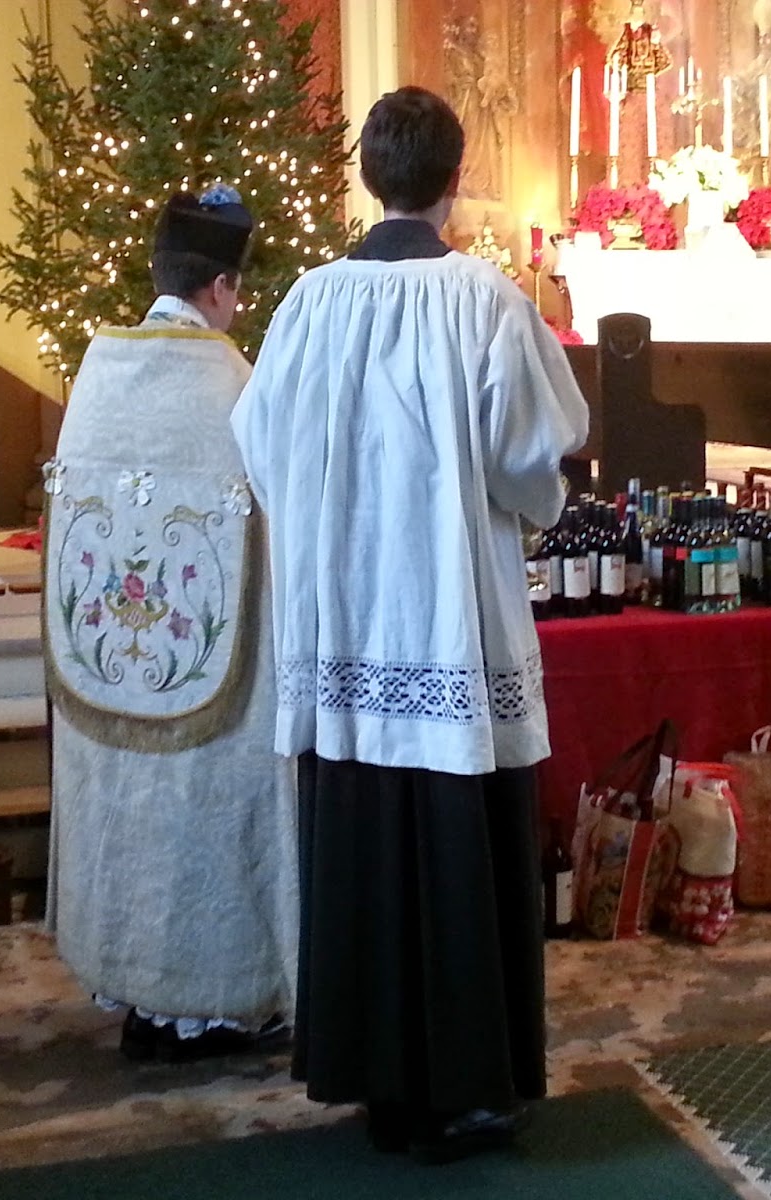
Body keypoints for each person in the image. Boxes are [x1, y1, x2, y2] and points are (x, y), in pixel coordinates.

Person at [232, 87, 589, 1162]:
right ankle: (470, 1091)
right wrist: (530, 507)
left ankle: (375, 1082)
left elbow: (261, 448)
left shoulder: (305, 303)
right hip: (446, 620)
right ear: (454, 175)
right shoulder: (484, 299)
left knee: (362, 845)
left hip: (345, 626)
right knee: (454, 852)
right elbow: (533, 454)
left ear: (367, 173)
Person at [42, 187, 297, 1063]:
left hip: (111, 662)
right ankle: (212, 1005)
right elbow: (285, 511)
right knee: (202, 812)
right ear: (223, 287)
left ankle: (140, 996)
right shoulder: (232, 384)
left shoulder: (97, 376)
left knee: (130, 810)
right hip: (209, 672)